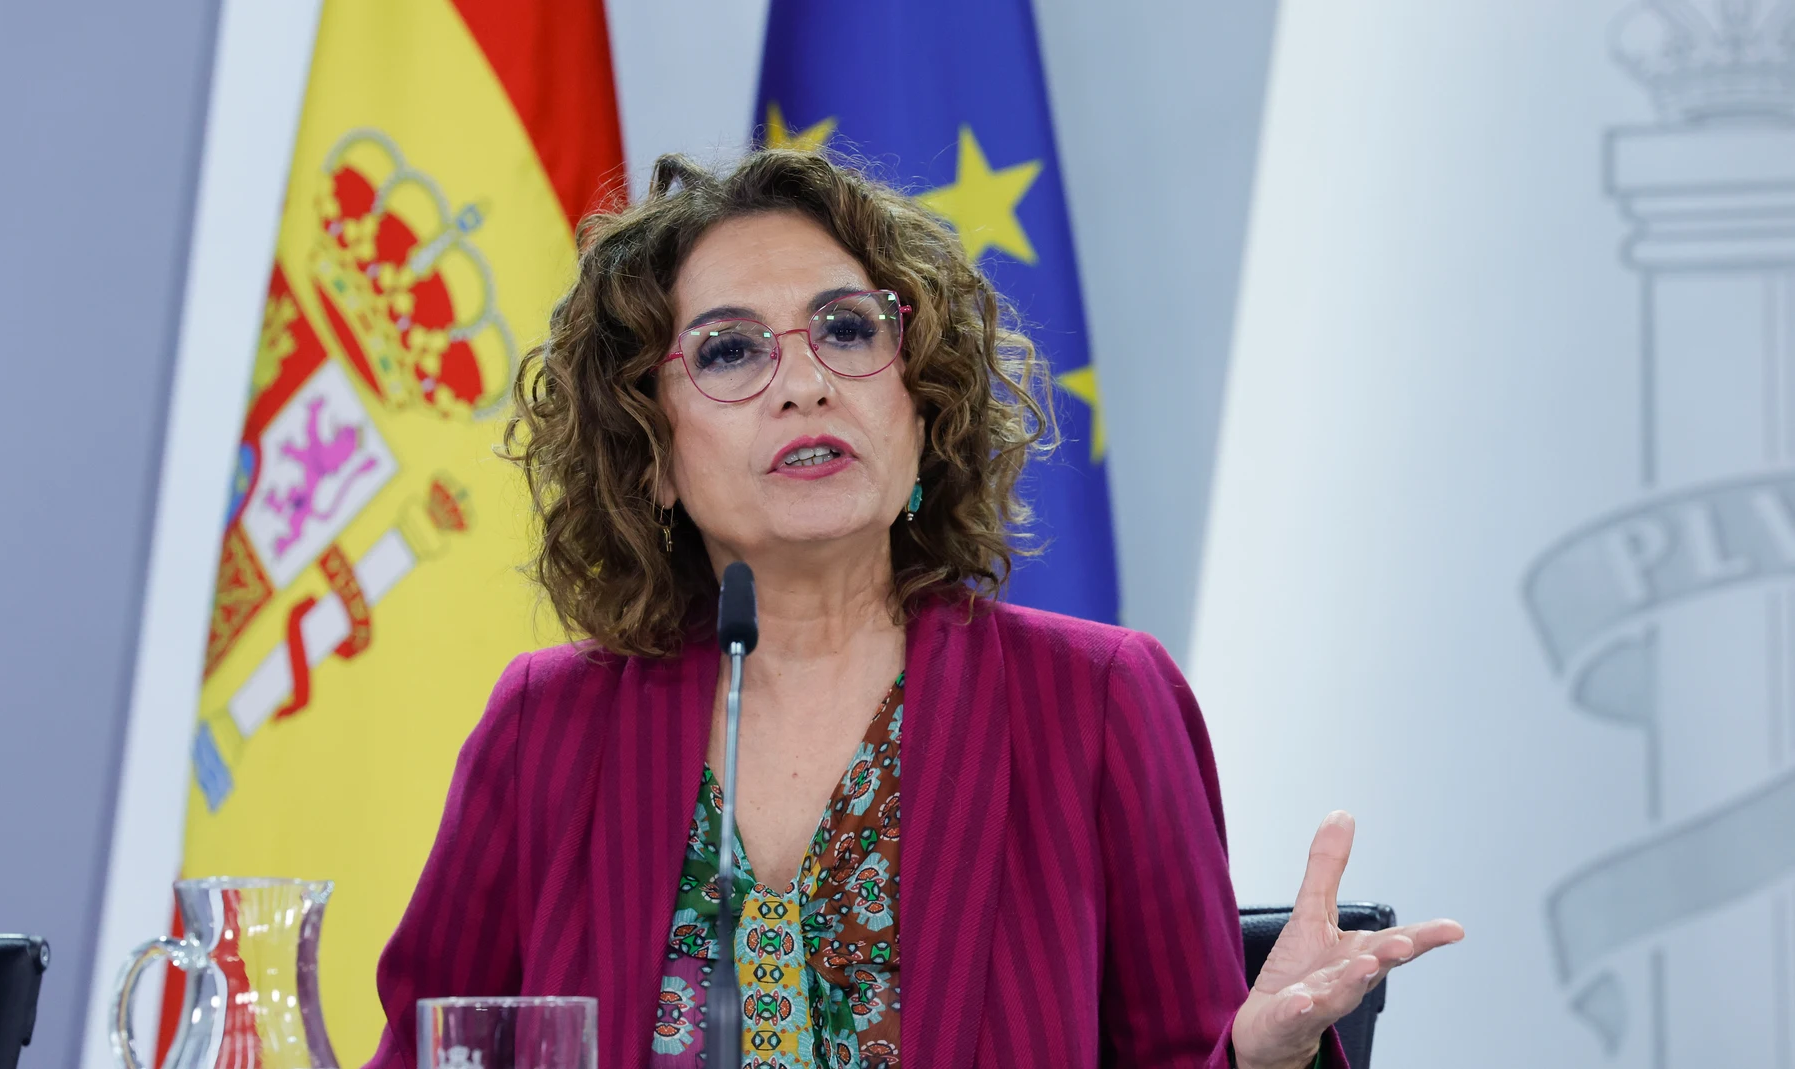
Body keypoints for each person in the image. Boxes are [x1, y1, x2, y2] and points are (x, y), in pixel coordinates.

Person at [365, 150, 1463, 1069]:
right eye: (732, 349)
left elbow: (1186, 1052)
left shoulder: (1095, 703)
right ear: (647, 453)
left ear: (920, 403)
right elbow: (429, 1046)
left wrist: (1263, 1056)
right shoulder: (548, 726)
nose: (806, 383)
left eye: (848, 330)